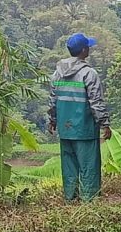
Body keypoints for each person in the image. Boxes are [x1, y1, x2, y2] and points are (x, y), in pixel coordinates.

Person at [48, 32, 112, 202]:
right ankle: (89, 201)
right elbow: (96, 102)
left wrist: (53, 121)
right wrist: (105, 123)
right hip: (85, 129)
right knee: (89, 166)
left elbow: (52, 101)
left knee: (69, 166)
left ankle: (71, 198)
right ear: (84, 50)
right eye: (88, 47)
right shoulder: (89, 74)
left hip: (65, 128)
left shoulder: (57, 74)